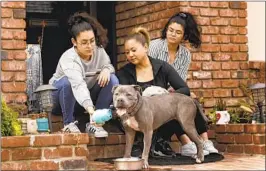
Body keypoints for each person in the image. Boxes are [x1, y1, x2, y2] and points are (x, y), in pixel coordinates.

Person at [116, 26, 208, 158]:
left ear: (146, 47)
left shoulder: (162, 67)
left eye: (133, 50)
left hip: (161, 118)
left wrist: (164, 96)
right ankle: (144, 147)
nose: (130, 55)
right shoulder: (124, 72)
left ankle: (198, 143)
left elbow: (184, 89)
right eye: (127, 52)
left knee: (184, 102)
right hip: (138, 118)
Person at [148, 12, 218, 157]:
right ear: (166, 29)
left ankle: (204, 140)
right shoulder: (154, 46)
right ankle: (186, 142)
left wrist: (180, 92)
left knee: (189, 100)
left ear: (184, 36)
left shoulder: (185, 54)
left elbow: (179, 80)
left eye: (178, 32)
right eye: (171, 30)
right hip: (153, 91)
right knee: (175, 103)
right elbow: (149, 74)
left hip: (172, 91)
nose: (173, 34)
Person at [49, 11, 119, 137]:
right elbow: (78, 85)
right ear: (74, 42)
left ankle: (96, 124)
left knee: (112, 80)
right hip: (60, 99)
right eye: (84, 42)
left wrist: (106, 69)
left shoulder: (99, 50)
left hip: (83, 100)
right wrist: (91, 110)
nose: (90, 46)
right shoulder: (69, 58)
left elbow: (108, 65)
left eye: (92, 41)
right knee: (67, 82)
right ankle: (68, 124)